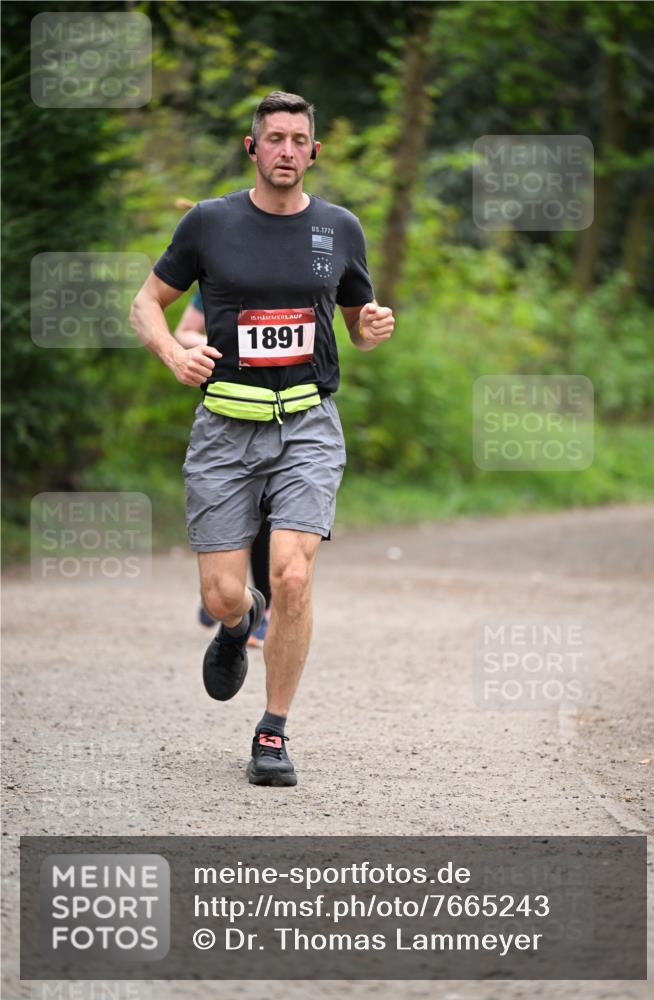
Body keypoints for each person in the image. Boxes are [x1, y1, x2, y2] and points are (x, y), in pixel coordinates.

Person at [130, 91, 394, 787]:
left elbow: (355, 318)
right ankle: (235, 620)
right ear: (252, 147)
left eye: (297, 139)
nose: (285, 150)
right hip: (224, 427)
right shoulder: (208, 222)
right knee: (223, 593)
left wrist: (367, 330)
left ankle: (271, 731)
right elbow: (144, 303)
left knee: (293, 574)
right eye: (272, 137)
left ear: (314, 151)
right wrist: (172, 354)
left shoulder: (339, 227)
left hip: (307, 421)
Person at [172, 281, 272, 647]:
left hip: (287, 413)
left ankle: (261, 606)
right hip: (227, 410)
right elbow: (184, 331)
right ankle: (223, 591)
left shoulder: (299, 280)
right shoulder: (219, 278)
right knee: (231, 507)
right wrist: (215, 350)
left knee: (267, 514)